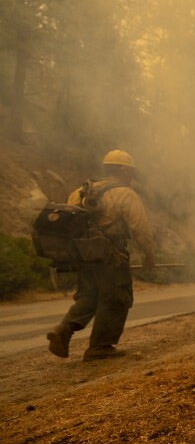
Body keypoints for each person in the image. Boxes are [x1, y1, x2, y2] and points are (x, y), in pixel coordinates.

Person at [47, 150, 155, 361]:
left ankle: (64, 330)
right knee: (117, 297)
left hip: (83, 254)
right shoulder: (125, 193)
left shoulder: (79, 192)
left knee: (89, 296)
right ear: (123, 170)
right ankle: (100, 346)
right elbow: (140, 229)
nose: (132, 177)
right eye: (130, 172)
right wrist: (149, 255)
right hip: (110, 256)